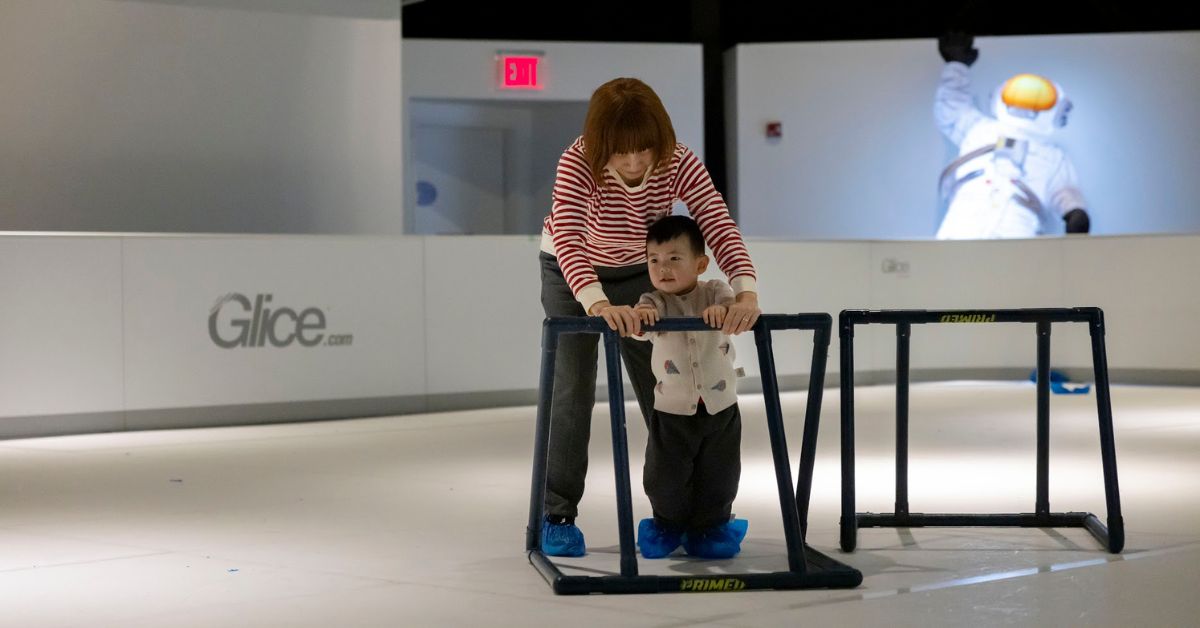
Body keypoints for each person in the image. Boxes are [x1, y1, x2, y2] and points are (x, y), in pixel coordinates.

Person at [538, 77, 761, 557]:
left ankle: (690, 515)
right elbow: (570, 238)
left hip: (641, 272)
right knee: (573, 387)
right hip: (570, 271)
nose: (636, 163)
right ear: (601, 145)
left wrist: (745, 291)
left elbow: (717, 221)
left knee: (667, 387)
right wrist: (598, 305)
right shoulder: (577, 161)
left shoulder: (676, 158)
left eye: (644, 151)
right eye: (622, 154)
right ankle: (557, 514)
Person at [630, 215, 749, 559]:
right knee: (664, 474)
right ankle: (668, 523)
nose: (662, 268)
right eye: (654, 260)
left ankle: (711, 526)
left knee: (720, 473)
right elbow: (641, 323)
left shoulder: (715, 291)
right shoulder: (654, 301)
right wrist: (640, 318)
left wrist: (724, 310)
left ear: (700, 264)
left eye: (673, 258)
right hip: (672, 410)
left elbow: (731, 305)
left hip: (720, 406)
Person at [935, 32, 1091, 239]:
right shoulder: (980, 129)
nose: (1030, 101)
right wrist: (957, 66)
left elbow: (1064, 191)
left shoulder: (1053, 156)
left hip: (1017, 228)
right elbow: (951, 107)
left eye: (1041, 97)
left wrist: (1074, 212)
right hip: (964, 224)